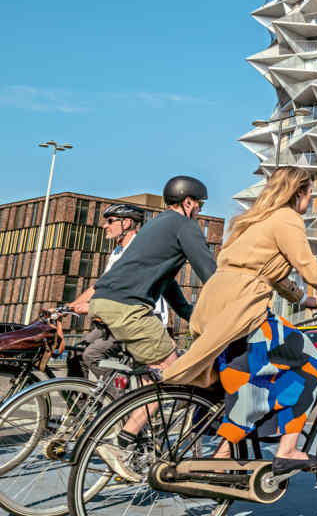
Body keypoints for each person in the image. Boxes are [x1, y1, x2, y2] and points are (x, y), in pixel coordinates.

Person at [163, 167, 317, 477]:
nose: (311, 201)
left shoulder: (254, 220)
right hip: (243, 307)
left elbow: (269, 271)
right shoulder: (287, 218)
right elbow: (310, 269)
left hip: (215, 305)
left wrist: (305, 300)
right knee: (310, 360)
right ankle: (288, 450)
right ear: (299, 193)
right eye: (310, 195)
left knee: (253, 379)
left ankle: (222, 456)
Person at [71, 177, 215, 478]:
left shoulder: (157, 225)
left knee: (149, 376)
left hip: (107, 302)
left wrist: (189, 313)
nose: (200, 211)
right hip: (129, 308)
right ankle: (123, 442)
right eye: (200, 204)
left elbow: (167, 282)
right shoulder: (184, 226)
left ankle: (135, 426)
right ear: (188, 202)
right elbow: (211, 275)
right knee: (173, 372)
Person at [75, 203, 146, 377]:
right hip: (113, 318)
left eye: (110, 221)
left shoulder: (139, 249)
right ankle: (81, 402)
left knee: (91, 355)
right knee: (75, 353)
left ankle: (118, 401)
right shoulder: (117, 251)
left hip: (133, 317)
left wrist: (92, 307)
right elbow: (102, 285)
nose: (104, 225)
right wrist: (70, 306)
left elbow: (123, 287)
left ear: (127, 223)